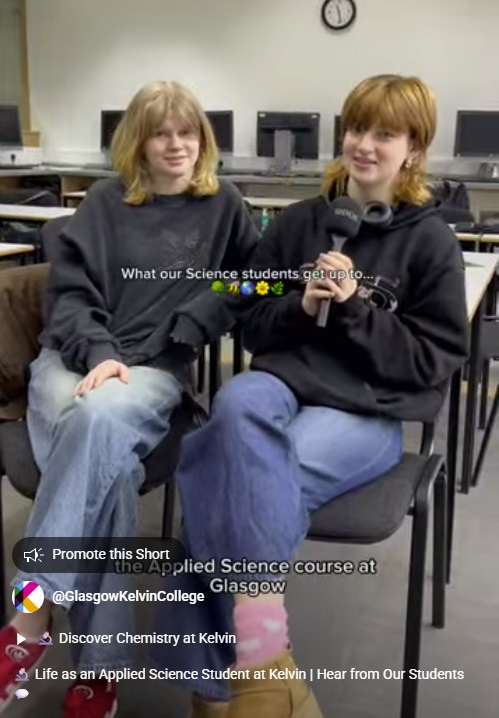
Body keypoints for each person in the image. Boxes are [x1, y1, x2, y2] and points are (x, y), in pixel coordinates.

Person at [150, 74, 469, 718]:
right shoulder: (298, 225)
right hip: (280, 385)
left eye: (385, 133)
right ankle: (266, 660)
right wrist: (300, 303)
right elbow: (252, 323)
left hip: (363, 410)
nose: (364, 145)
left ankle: (220, 690)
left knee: (222, 479)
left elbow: (430, 362)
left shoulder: (430, 242)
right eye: (356, 128)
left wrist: (354, 310)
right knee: (236, 407)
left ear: (413, 149)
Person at [0, 81, 259, 717]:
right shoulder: (102, 205)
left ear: (203, 140)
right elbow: (69, 298)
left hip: (153, 369)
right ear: (137, 142)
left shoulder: (223, 204)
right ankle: (98, 670)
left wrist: (198, 316)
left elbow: (254, 280)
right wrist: (99, 352)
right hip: (75, 361)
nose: (176, 145)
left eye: (188, 132)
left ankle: (28, 619)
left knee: (97, 422)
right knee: (105, 462)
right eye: (161, 132)